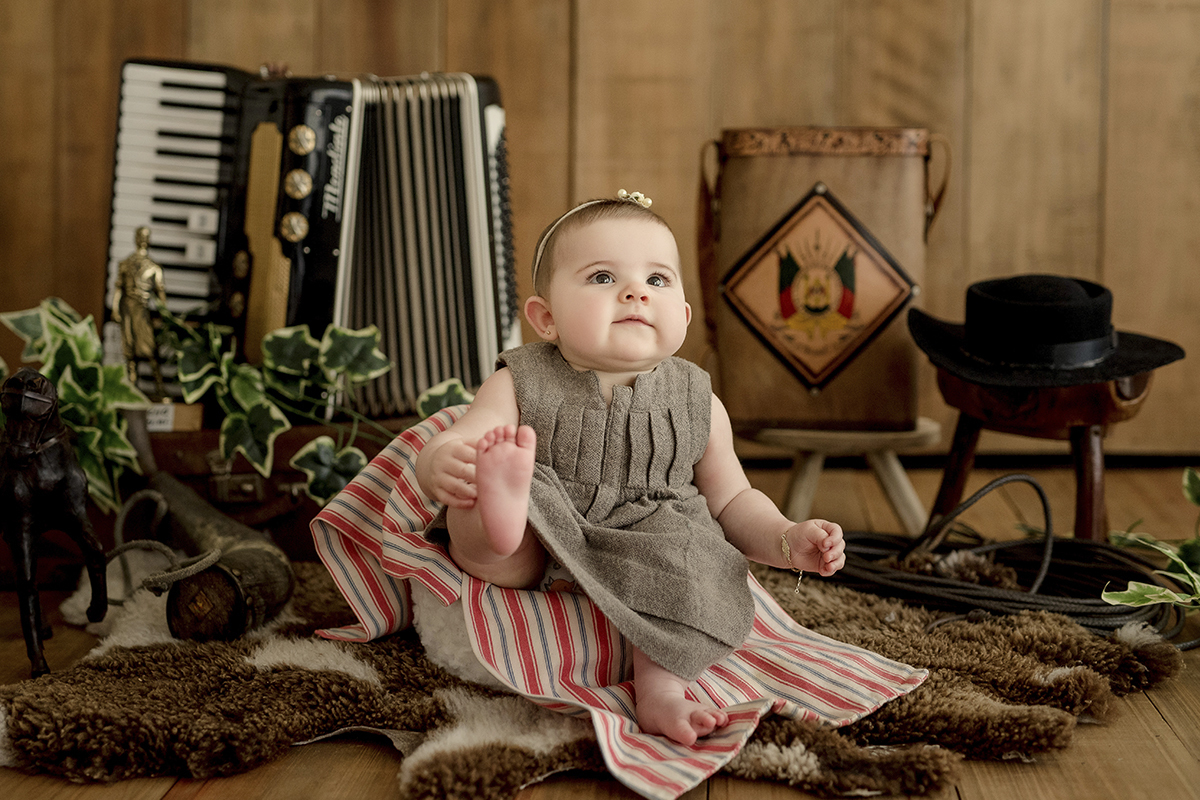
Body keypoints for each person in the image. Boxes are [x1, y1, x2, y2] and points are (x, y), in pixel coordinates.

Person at [415, 190, 846, 746]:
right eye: (601, 277)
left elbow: (733, 501)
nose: (635, 292)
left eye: (658, 280)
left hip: (655, 532)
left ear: (684, 318)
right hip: (550, 513)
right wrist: (446, 463)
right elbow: (467, 436)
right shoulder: (518, 382)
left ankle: (662, 693)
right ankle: (496, 520)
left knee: (691, 572)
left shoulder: (699, 401)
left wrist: (787, 539)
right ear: (545, 318)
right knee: (497, 519)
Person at [111, 226, 169, 399]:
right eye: (140, 236)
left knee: (150, 351)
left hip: (143, 311)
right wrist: (115, 309)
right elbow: (118, 289)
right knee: (129, 351)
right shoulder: (125, 264)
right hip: (127, 309)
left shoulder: (154, 268)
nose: (143, 239)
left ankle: (160, 387)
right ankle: (133, 389)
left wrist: (162, 316)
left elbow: (161, 297)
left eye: (146, 236)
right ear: (135, 238)